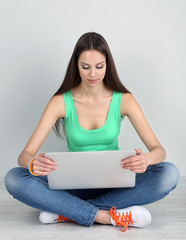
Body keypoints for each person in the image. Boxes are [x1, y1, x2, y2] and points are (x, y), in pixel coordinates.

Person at [4, 32, 180, 232]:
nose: (93, 74)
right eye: (85, 67)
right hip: (72, 185)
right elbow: (23, 156)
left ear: (108, 65)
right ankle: (105, 215)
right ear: (76, 66)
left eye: (99, 66)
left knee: (169, 173)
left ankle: (67, 211)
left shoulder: (124, 100)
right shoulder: (60, 102)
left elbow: (159, 151)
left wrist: (146, 160)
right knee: (13, 178)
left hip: (115, 183)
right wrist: (32, 163)